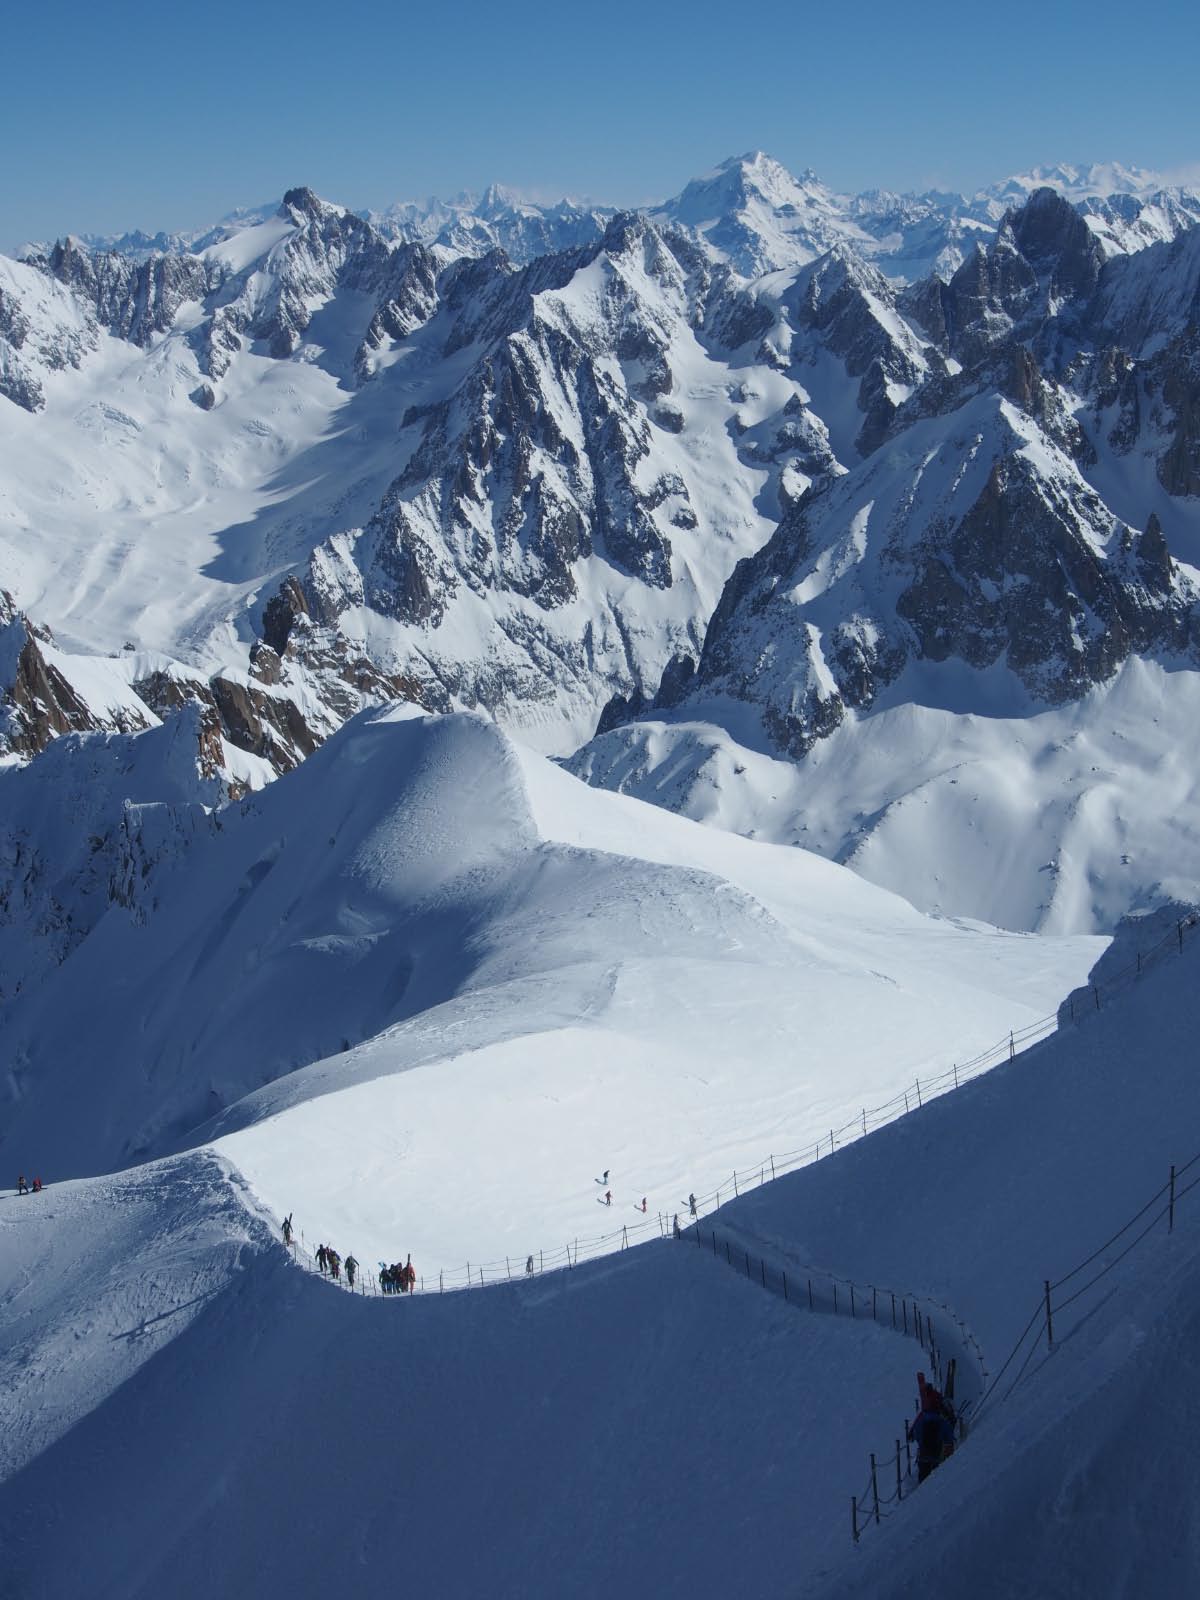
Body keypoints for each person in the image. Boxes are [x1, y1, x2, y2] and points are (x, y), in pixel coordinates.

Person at [908, 1399, 954, 1482]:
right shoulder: (941, 1421)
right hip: (936, 1454)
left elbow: (915, 1435)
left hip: (923, 1454)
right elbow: (949, 1436)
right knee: (933, 1481)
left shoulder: (921, 1420)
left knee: (922, 1479)